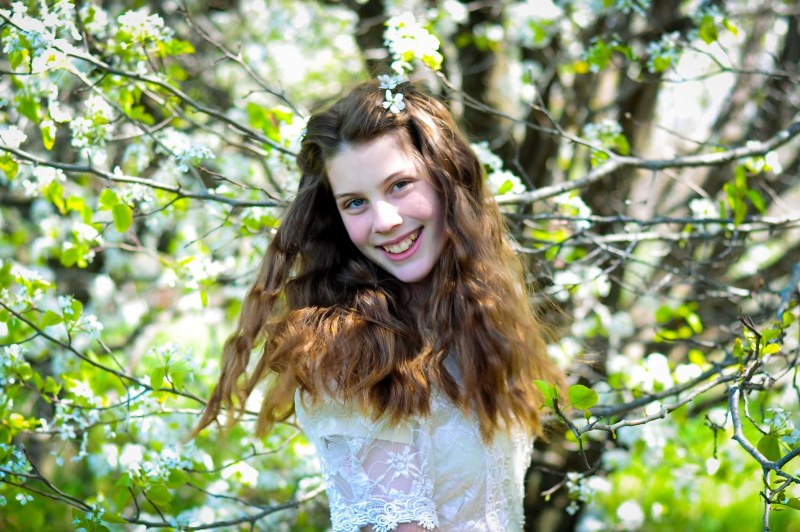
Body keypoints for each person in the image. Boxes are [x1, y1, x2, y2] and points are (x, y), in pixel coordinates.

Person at [193, 78, 565, 531]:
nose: (385, 221)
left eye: (400, 185)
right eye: (355, 203)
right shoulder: (349, 353)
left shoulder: (479, 322)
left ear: (447, 179)